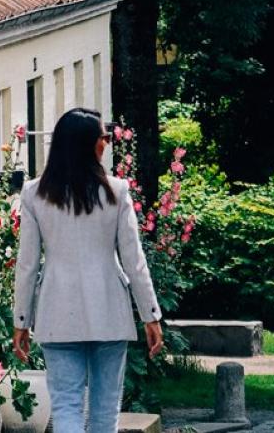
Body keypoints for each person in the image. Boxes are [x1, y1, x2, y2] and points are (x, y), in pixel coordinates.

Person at [12, 108, 163, 433]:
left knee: (66, 406)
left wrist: (20, 320)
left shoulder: (35, 194)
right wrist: (150, 315)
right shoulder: (116, 192)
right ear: (87, 144)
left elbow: (26, 264)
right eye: (103, 137)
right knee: (104, 413)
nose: (107, 143)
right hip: (109, 313)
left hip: (57, 312)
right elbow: (133, 260)